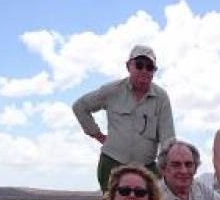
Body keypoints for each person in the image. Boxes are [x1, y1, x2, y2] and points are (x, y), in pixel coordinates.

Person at [72, 45, 175, 191]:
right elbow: (80, 107)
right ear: (128, 66)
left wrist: (168, 167)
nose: (144, 70)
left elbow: (168, 138)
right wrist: (98, 135)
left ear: (154, 71)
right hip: (112, 165)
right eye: (139, 65)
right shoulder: (112, 90)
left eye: (149, 67)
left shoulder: (161, 98)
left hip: (146, 168)